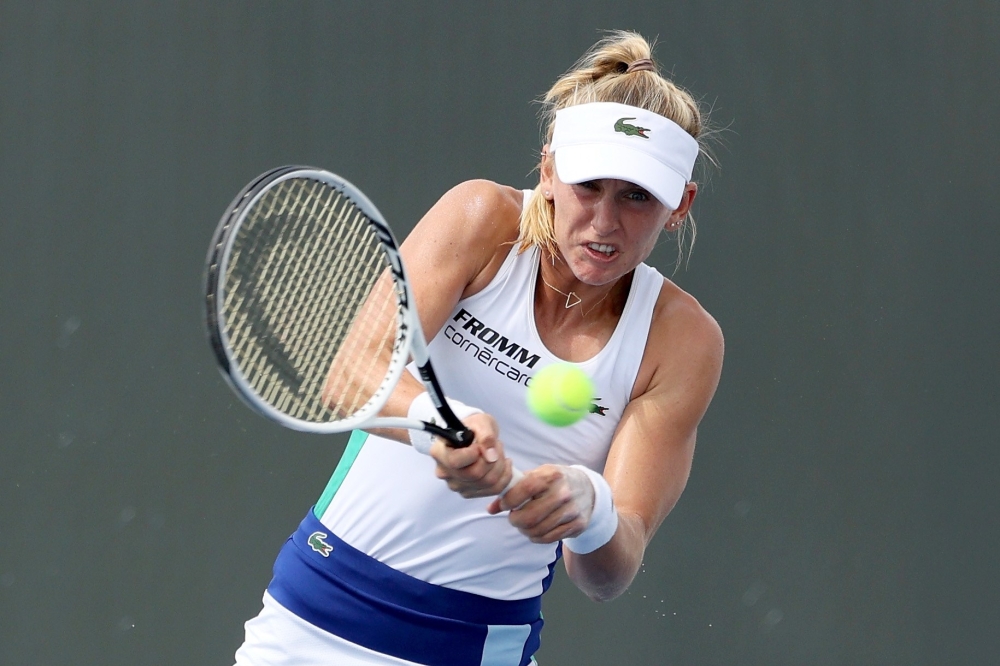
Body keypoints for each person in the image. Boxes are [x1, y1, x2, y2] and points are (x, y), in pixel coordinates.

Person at [233, 30, 723, 666]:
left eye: (636, 195)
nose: (604, 223)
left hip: (479, 649)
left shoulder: (682, 340)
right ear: (548, 170)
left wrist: (591, 508)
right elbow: (350, 374)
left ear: (680, 204)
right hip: (310, 625)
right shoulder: (483, 220)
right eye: (587, 185)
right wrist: (440, 424)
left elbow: (608, 573)